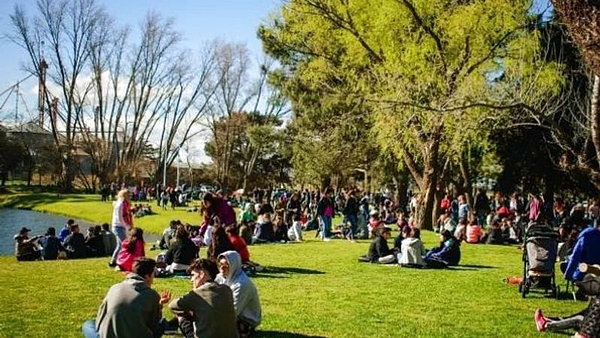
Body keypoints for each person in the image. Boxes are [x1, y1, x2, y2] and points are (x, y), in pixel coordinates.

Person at [82, 258, 173, 338]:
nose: (154, 278)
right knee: (162, 324)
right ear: (147, 276)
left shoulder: (115, 287)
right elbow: (153, 326)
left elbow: (101, 316)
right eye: (153, 274)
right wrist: (159, 305)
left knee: (88, 324)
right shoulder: (151, 295)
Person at [168, 259, 239, 338]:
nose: (191, 280)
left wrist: (190, 311)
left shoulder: (197, 294)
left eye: (193, 275)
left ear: (202, 274)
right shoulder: (227, 290)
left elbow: (172, 305)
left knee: (181, 315)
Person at [216, 251, 262, 337]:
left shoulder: (241, 284)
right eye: (220, 264)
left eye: (226, 265)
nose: (222, 268)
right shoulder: (220, 277)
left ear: (234, 265)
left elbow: (233, 311)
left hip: (244, 320)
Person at [109, 189, 134, 267]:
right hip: (118, 226)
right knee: (124, 244)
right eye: (128, 195)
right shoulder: (121, 204)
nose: (129, 197)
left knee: (120, 245)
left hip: (120, 226)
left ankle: (114, 261)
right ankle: (120, 260)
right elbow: (120, 217)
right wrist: (127, 225)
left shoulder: (123, 204)